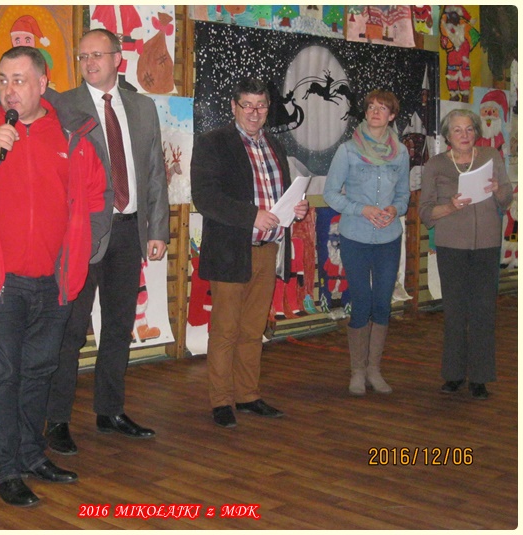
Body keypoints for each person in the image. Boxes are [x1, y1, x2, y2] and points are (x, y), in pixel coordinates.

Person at [0, 46, 110, 507]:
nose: (9, 89)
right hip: (0, 281)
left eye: (20, 80)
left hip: (54, 280)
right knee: (3, 375)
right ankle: (4, 469)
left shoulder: (71, 131)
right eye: (4, 80)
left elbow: (97, 197)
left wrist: (82, 252)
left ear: (43, 84)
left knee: (39, 371)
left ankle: (31, 455)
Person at [44, 29, 169, 454]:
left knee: (118, 326)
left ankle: (110, 410)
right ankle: (57, 420)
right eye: (83, 57)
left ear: (118, 58)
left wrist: (157, 229)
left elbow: (154, 172)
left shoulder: (142, 107)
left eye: (97, 55)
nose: (89, 63)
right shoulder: (63, 108)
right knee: (70, 331)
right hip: (80, 235)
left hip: (129, 231)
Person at [191, 77, 309, 428]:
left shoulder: (274, 145)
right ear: (234, 106)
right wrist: (251, 215)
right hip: (230, 249)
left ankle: (247, 395)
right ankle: (221, 401)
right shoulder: (213, 143)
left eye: (261, 105)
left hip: (267, 249)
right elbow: (205, 197)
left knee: (253, 329)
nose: (255, 112)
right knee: (225, 330)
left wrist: (296, 208)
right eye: (248, 105)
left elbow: (279, 195)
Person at [419, 109, 512, 400]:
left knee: (484, 311)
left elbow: (507, 198)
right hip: (452, 246)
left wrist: (497, 190)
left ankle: (480, 378)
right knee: (455, 311)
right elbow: (425, 212)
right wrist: (450, 207)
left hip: (486, 244)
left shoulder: (491, 157)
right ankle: (454, 375)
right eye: (458, 130)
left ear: (477, 133)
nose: (464, 135)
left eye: (469, 129)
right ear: (448, 135)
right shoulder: (435, 165)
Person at [323, 89, 410, 396]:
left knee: (382, 303)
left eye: (382, 108)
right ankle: (357, 371)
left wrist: (394, 209)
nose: (375, 111)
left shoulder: (401, 153)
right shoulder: (347, 151)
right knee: (361, 302)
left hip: (388, 238)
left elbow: (404, 195)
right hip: (355, 237)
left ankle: (374, 369)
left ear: (392, 115)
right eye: (371, 106)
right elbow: (330, 194)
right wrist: (363, 209)